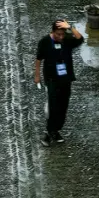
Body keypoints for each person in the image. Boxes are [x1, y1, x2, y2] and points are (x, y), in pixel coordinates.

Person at [34, 16, 85, 145]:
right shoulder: (45, 42)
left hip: (65, 78)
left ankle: (54, 131)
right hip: (52, 79)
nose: (61, 37)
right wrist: (37, 75)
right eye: (58, 34)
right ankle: (49, 131)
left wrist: (70, 27)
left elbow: (80, 39)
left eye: (62, 34)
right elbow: (39, 59)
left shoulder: (67, 40)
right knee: (53, 106)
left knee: (63, 106)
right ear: (53, 32)